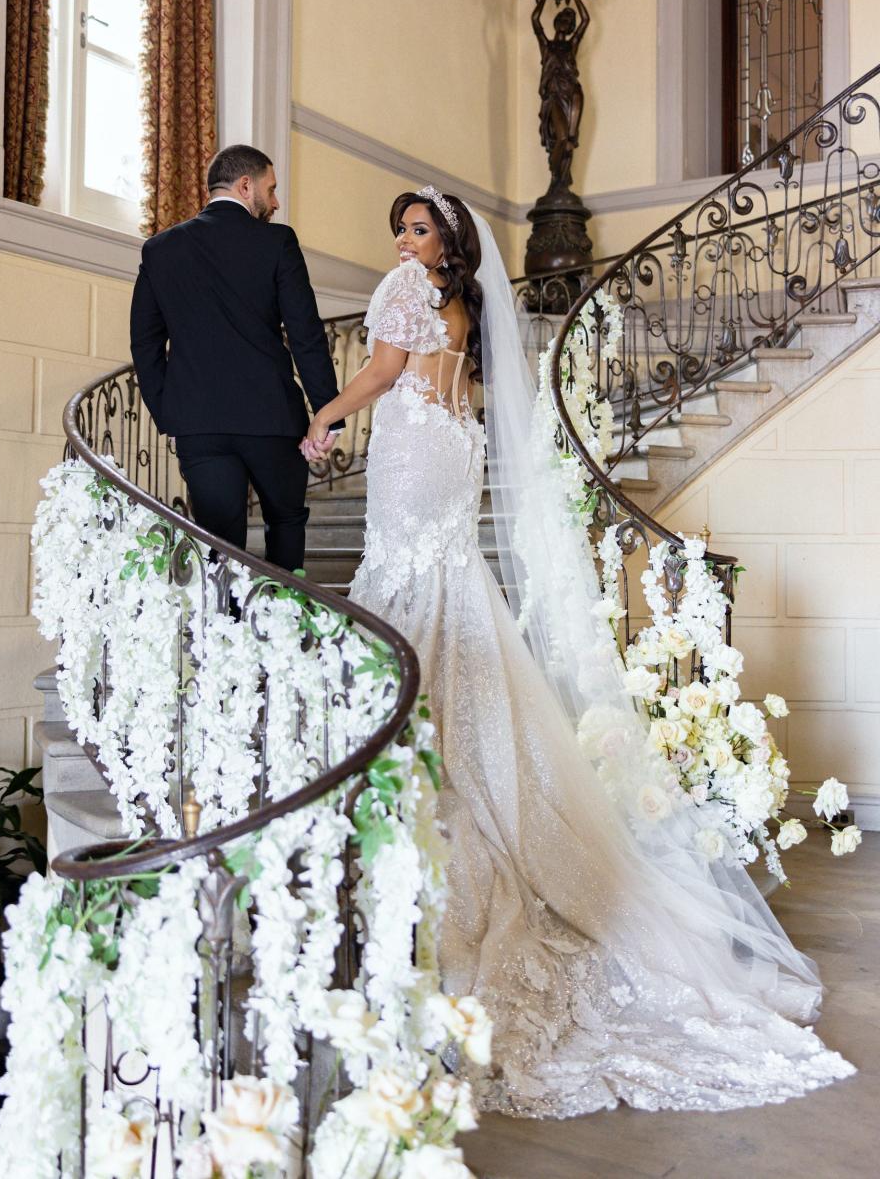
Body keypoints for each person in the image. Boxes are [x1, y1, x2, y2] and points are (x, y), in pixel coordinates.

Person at [301, 185, 854, 1118]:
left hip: (414, 451)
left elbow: (384, 370)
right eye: (399, 227)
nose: (404, 239)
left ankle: (422, 761)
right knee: (440, 582)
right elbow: (463, 389)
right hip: (451, 451)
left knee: (405, 585)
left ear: (445, 239)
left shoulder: (407, 290)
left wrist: (324, 416)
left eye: (419, 227)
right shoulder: (469, 303)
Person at [131, 144, 342, 572]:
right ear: (246, 186)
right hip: (272, 420)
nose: (277, 201)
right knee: (285, 524)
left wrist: (170, 413)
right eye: (272, 188)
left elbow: (145, 344)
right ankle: (286, 630)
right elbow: (305, 335)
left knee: (218, 548)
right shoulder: (277, 242)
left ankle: (225, 634)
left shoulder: (161, 249)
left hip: (199, 426)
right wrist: (328, 413)